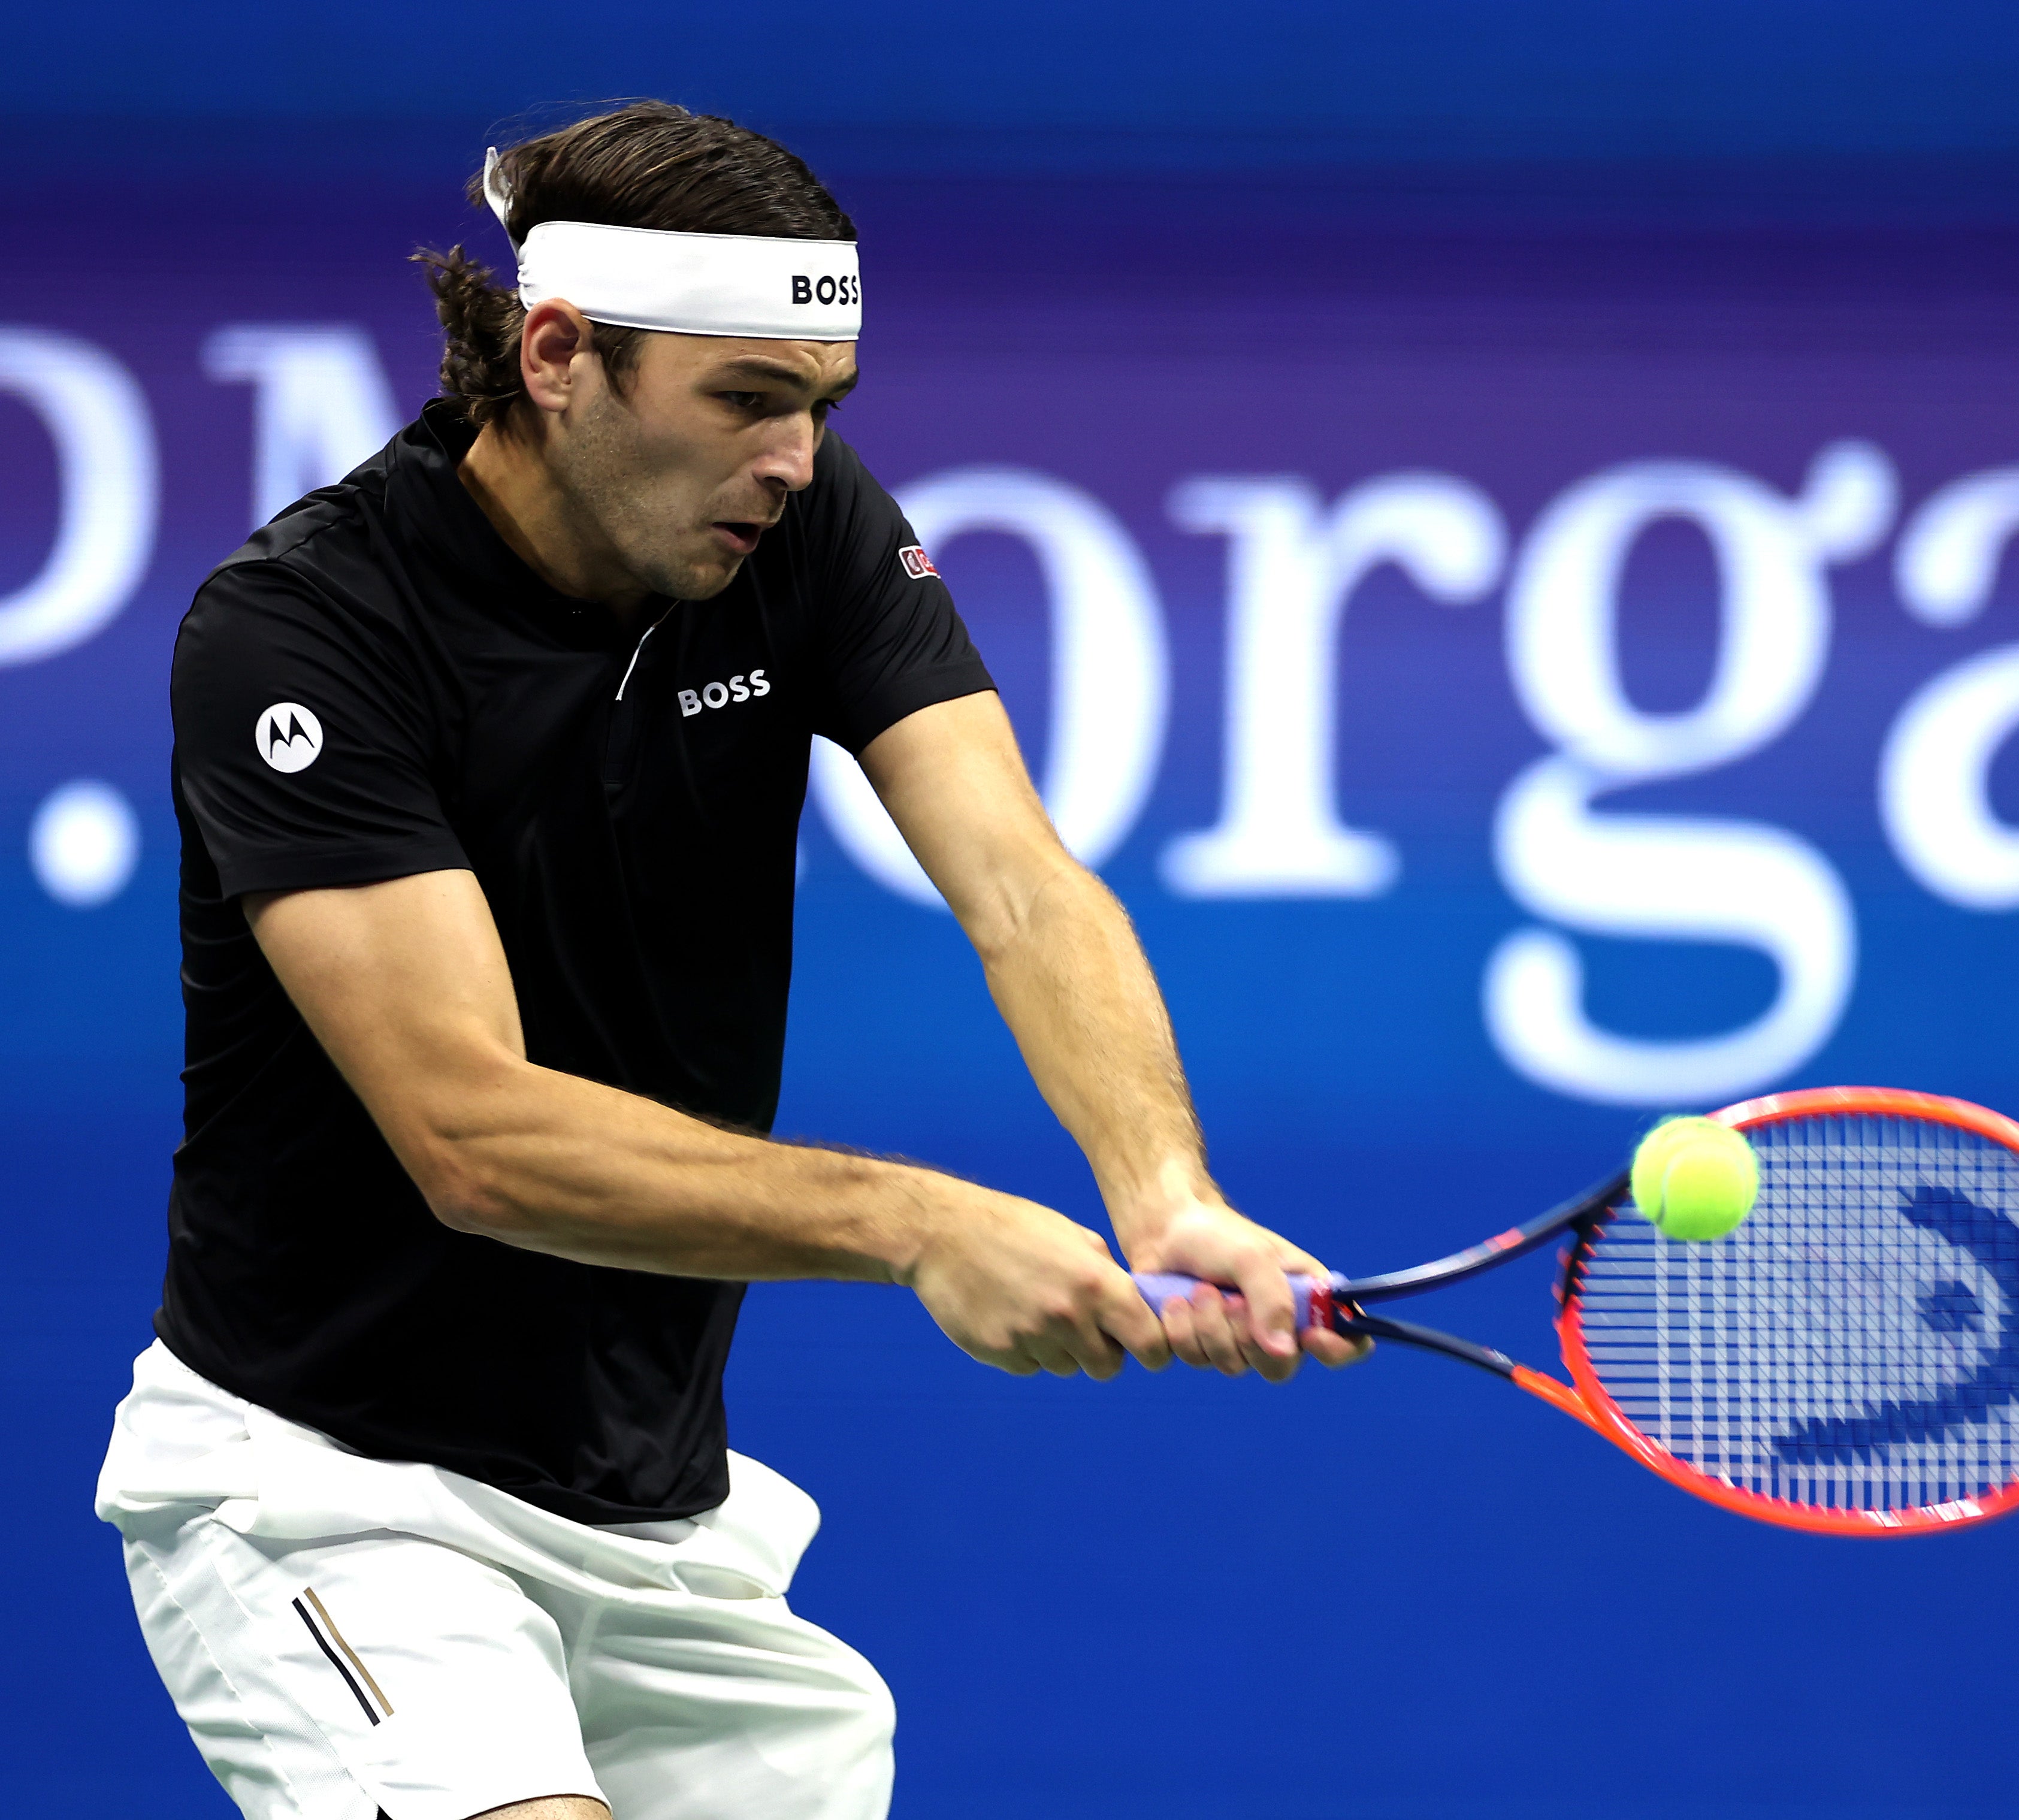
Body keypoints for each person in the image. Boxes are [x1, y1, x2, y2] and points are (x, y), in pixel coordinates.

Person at [97, 101, 1362, 1820]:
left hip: (661, 1529)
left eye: (821, 409)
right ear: (557, 355)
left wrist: (1161, 1188)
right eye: (748, 400)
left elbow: (1020, 883)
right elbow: (470, 1133)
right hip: (331, 1487)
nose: (793, 456)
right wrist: (922, 1225)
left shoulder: (810, 530)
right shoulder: (305, 631)